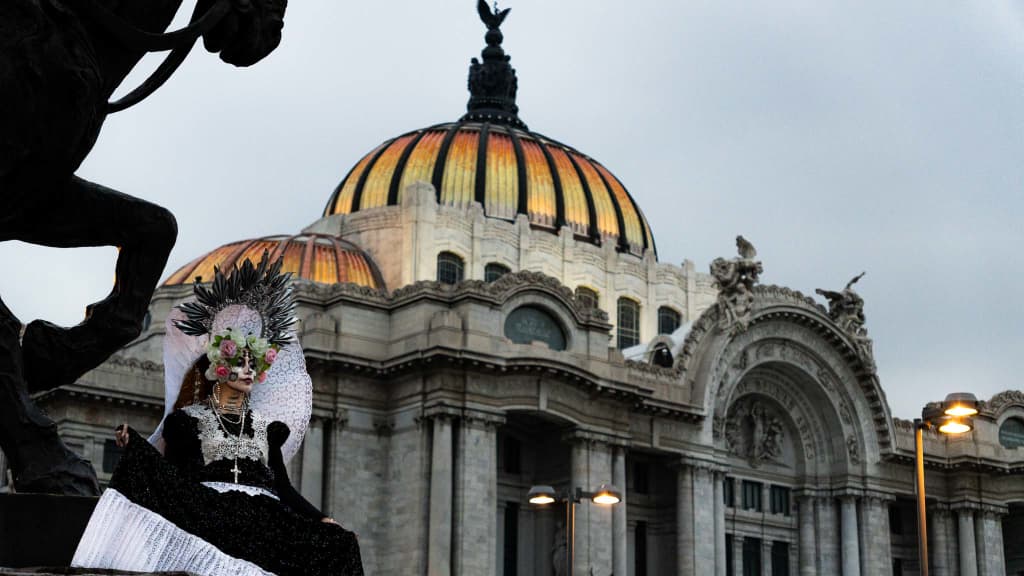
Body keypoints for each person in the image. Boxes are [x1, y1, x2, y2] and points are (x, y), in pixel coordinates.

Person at [72, 254, 364, 576]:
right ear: (219, 368)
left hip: (266, 518)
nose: (249, 372)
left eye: (255, 365)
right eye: (242, 363)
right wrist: (138, 449)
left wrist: (322, 518)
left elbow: (283, 486)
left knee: (340, 543)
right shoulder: (187, 423)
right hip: (212, 510)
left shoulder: (268, 430)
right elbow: (175, 477)